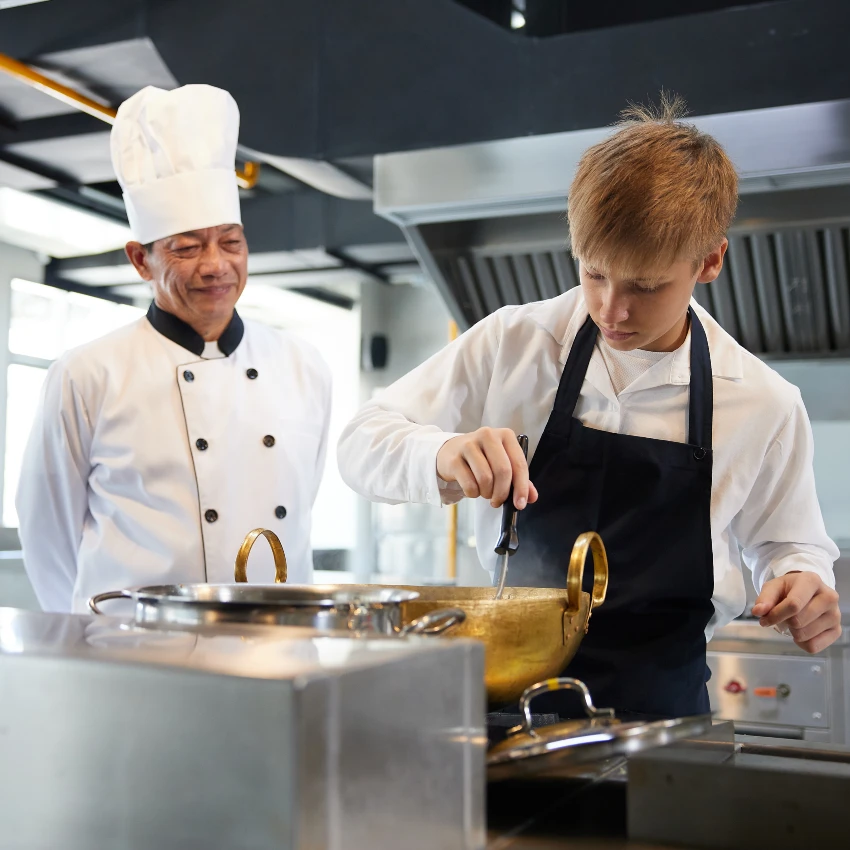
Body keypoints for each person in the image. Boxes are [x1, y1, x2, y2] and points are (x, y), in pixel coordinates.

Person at [337, 96, 841, 719]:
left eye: (646, 286)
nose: (612, 310)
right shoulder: (513, 342)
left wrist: (802, 581)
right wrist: (441, 452)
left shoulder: (762, 400)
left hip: (660, 713)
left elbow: (790, 545)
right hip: (507, 699)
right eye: (594, 273)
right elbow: (359, 444)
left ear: (709, 261)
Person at [17, 85, 332, 613]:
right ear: (140, 260)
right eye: (186, 248)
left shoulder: (302, 365)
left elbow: (301, 507)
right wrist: (95, 634)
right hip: (135, 654)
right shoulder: (88, 373)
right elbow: (47, 534)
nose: (215, 265)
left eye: (231, 242)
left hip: (276, 643)